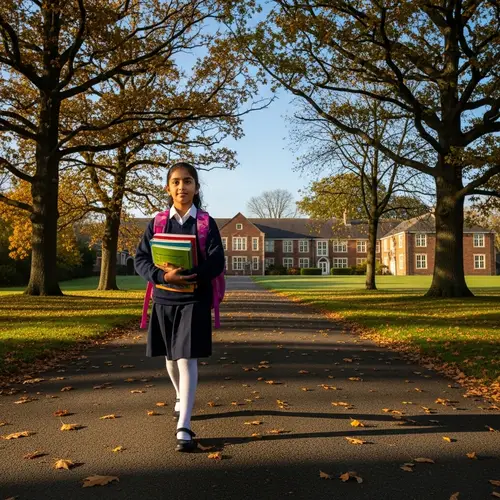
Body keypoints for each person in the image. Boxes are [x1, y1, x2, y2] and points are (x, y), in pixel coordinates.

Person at [135, 162, 225, 452]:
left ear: (196, 188)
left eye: (187, 181)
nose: (181, 187)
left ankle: (184, 425)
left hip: (194, 300)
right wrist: (163, 276)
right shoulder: (158, 222)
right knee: (171, 359)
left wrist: (190, 275)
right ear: (168, 187)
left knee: (186, 359)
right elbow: (140, 259)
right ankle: (179, 397)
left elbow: (217, 262)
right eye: (175, 182)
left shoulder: (206, 223)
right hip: (164, 298)